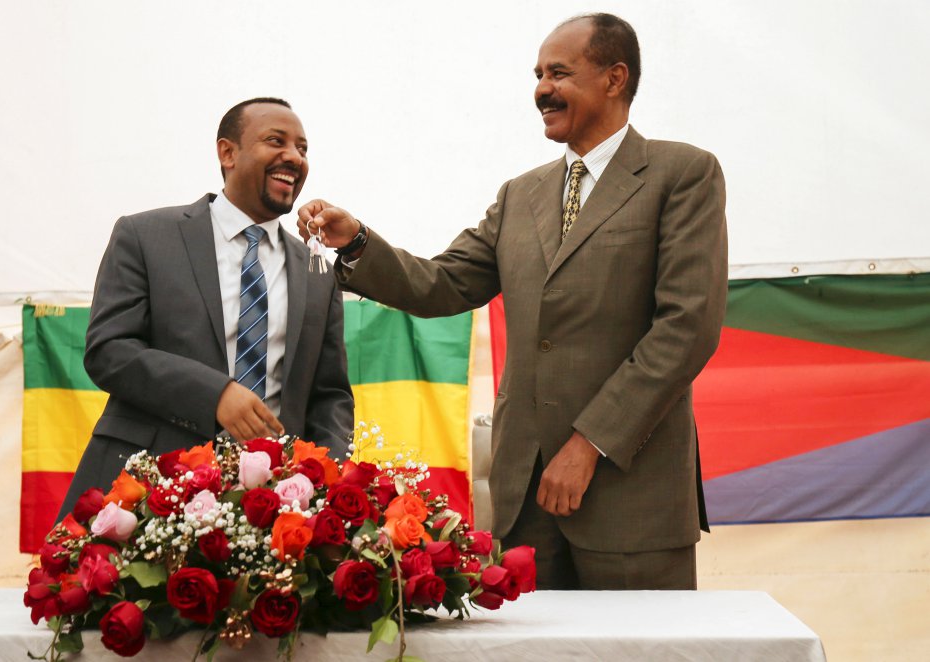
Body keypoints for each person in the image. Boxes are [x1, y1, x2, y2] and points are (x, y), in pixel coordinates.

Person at [298, 14, 727, 590]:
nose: (541, 89)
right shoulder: (520, 194)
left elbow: (687, 328)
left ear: (615, 78)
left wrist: (589, 445)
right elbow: (442, 284)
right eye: (538, 74)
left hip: (634, 498)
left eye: (559, 73)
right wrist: (356, 243)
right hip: (526, 501)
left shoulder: (683, 173)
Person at [58, 98, 353, 518]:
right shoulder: (145, 236)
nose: (294, 157)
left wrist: (324, 480)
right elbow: (109, 351)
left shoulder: (318, 268)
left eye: (303, 149)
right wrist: (214, 394)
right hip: (146, 495)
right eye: (277, 141)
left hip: (271, 511)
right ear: (227, 152)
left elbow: (330, 396)